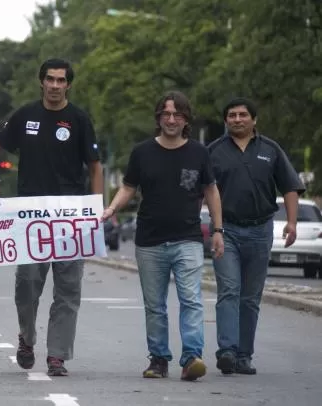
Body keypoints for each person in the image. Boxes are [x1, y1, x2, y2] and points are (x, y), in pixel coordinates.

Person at [0, 58, 102, 376]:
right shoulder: (25, 116)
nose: (55, 85)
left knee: (68, 289)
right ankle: (27, 338)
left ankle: (57, 355)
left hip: (71, 219)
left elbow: (95, 165)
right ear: (41, 81)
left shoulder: (79, 119)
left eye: (61, 80)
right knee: (28, 284)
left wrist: (97, 209)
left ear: (68, 84)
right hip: (30, 217)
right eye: (50, 79)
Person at [103, 91, 225, 381]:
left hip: (188, 239)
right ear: (158, 118)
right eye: (166, 114)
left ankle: (191, 357)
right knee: (154, 305)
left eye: (178, 115)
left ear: (186, 120)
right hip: (150, 240)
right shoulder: (142, 152)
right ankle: (158, 359)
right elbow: (129, 187)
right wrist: (111, 207)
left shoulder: (199, 152)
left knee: (192, 300)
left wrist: (218, 230)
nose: (172, 120)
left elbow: (211, 191)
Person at [208, 98, 305, 375]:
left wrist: (292, 223)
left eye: (242, 115)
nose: (237, 120)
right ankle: (226, 350)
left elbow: (289, 187)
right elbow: (199, 189)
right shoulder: (213, 151)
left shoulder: (271, 149)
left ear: (254, 119)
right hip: (226, 231)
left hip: (261, 231)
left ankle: (243, 355)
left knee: (250, 297)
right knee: (229, 291)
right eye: (231, 116)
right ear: (225, 121)